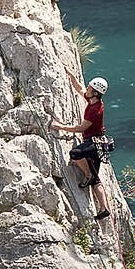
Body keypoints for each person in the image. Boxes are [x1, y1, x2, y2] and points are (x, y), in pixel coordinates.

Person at [52, 71, 111, 220]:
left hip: (94, 143)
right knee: (96, 179)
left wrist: (60, 127)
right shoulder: (93, 100)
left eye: (90, 88)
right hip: (97, 142)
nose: (87, 88)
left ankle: (88, 175)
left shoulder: (95, 110)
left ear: (95, 93)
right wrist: (70, 74)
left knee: (75, 154)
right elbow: (80, 88)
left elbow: (81, 128)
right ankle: (104, 209)